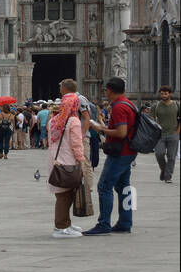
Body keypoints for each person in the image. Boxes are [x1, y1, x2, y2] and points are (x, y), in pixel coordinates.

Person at [83, 77, 139, 236]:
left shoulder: (119, 107)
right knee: (123, 187)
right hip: (128, 152)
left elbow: (121, 133)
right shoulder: (128, 103)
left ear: (109, 90)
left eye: (106, 90)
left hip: (120, 153)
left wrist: (100, 129)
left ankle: (104, 224)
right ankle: (125, 223)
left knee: (104, 186)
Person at [45, 92, 86, 238]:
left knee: (63, 195)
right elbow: (76, 144)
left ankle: (66, 223)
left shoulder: (54, 120)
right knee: (65, 196)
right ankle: (60, 227)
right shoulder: (73, 121)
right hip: (69, 162)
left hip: (55, 162)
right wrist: (81, 160)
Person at [153, 85, 179, 184]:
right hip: (160, 135)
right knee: (159, 154)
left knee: (171, 157)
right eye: (162, 93)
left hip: (173, 134)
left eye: (165, 93)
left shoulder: (176, 105)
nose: (163, 95)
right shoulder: (156, 106)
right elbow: (151, 120)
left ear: (170, 94)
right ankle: (164, 170)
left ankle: (168, 176)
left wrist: (177, 132)